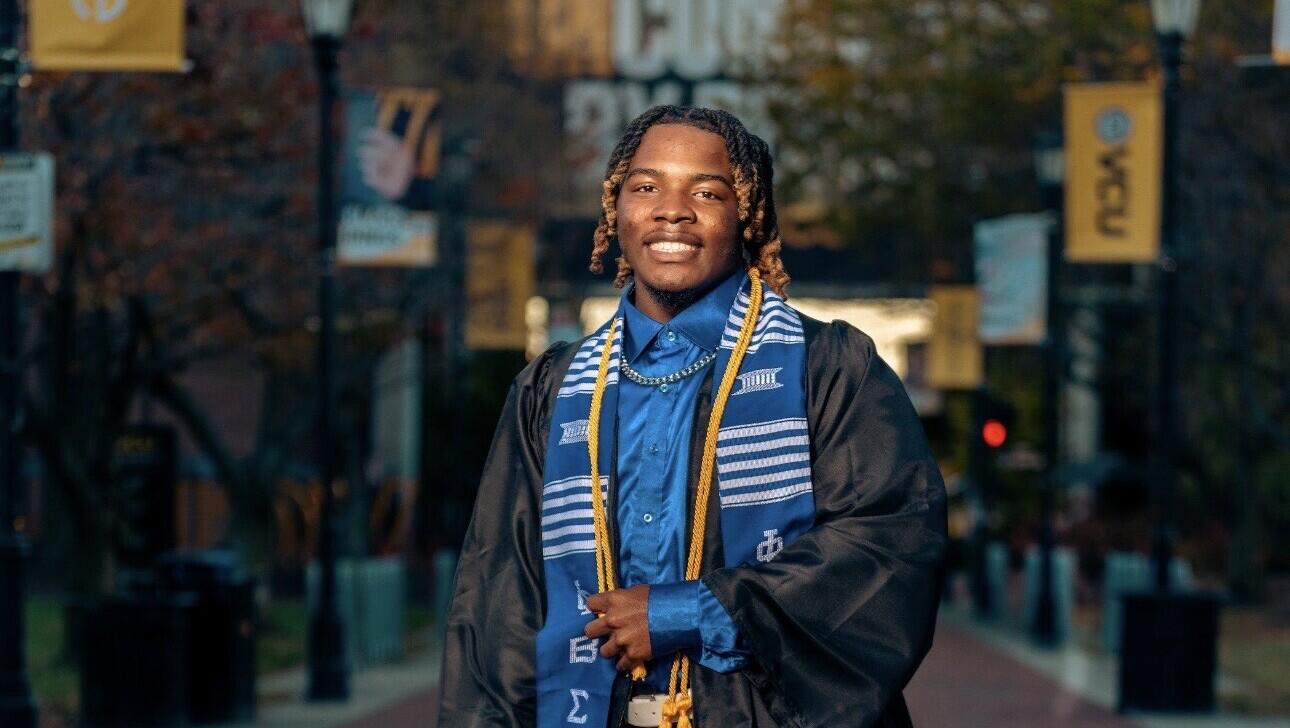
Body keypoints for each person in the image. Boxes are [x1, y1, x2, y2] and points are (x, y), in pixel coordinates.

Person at [437, 105, 947, 728]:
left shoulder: (828, 368)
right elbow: (500, 604)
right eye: (646, 188)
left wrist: (688, 613)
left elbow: (886, 549)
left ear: (745, 215)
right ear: (616, 210)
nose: (671, 211)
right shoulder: (553, 388)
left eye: (706, 192)